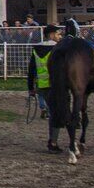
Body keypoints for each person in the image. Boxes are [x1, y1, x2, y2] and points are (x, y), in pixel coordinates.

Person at [27, 24, 63, 152]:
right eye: (58, 34)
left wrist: (30, 88)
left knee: (53, 112)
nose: (60, 36)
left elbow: (31, 70)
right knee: (57, 113)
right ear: (52, 35)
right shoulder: (58, 48)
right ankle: (53, 142)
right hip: (55, 85)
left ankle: (53, 141)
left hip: (42, 86)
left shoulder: (36, 49)